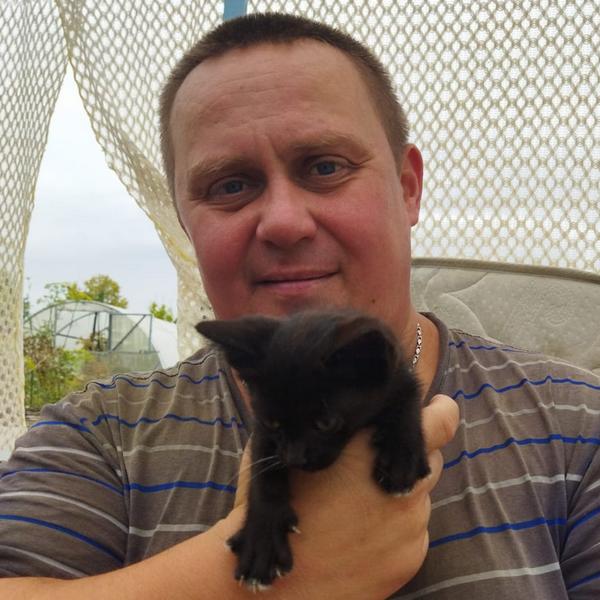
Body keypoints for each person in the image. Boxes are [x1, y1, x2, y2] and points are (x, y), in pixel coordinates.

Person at [1, 12, 598, 599]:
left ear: (407, 188)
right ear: (185, 220)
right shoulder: (101, 436)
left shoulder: (578, 426)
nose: (284, 223)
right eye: (231, 185)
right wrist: (242, 584)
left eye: (326, 167)